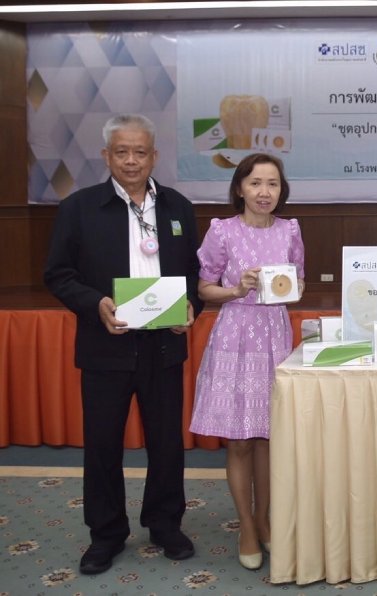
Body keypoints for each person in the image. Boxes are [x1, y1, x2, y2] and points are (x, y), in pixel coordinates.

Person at [43, 114, 202, 575]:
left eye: (140, 152)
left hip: (164, 347)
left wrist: (190, 307)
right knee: (102, 445)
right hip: (105, 346)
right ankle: (106, 534)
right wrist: (95, 305)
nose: (131, 160)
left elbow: (194, 273)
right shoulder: (79, 208)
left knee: (167, 443)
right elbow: (58, 274)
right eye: (122, 152)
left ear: (154, 155)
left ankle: (165, 524)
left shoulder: (178, 207)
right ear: (106, 155)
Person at [188, 153, 305, 571]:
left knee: (267, 437)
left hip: (274, 336)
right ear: (240, 188)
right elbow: (205, 287)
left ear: (281, 190)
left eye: (272, 183)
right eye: (255, 183)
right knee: (239, 440)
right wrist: (237, 290)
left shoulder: (290, 229)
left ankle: (264, 518)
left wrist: (288, 286)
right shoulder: (222, 231)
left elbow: (299, 282)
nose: (264, 192)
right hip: (235, 336)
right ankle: (247, 527)